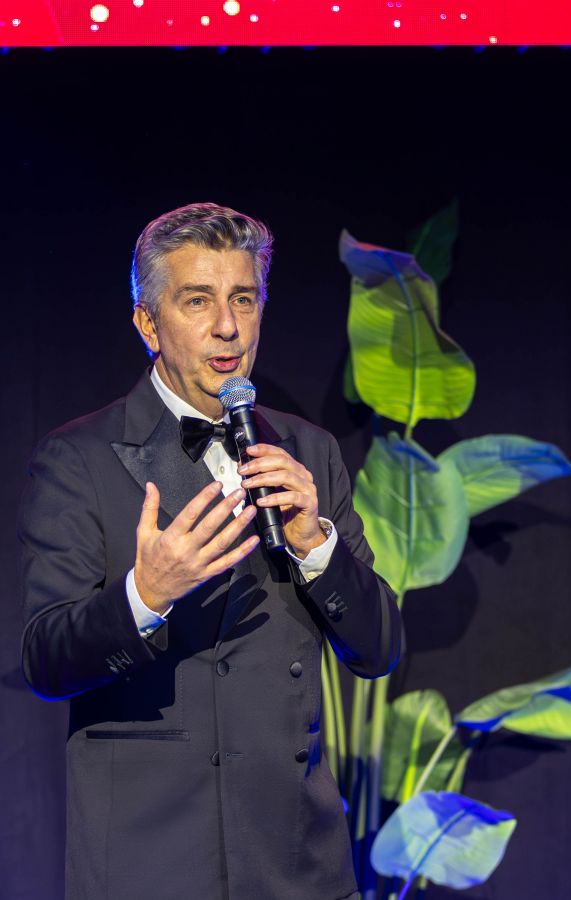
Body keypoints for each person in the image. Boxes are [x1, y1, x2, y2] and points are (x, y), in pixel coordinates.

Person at [19, 202, 403, 900]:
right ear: (148, 323)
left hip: (296, 861)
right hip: (151, 860)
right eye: (198, 300)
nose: (228, 326)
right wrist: (145, 596)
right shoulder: (78, 458)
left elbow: (378, 650)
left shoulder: (309, 451)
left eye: (243, 299)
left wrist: (316, 546)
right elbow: (46, 661)